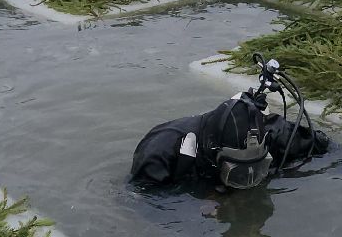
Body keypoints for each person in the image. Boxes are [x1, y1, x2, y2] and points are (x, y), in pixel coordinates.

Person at [129, 59, 329, 190]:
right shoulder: (159, 151)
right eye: (237, 171)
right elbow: (146, 206)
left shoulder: (276, 134)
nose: (248, 180)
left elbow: (325, 146)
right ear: (215, 152)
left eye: (258, 167)